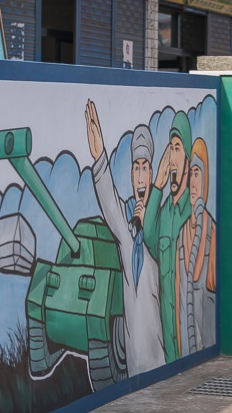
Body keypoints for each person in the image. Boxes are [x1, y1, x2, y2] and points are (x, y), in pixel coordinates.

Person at [84, 102, 166, 375]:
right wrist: (99, 156)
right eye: (136, 169)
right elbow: (109, 201)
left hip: (163, 356)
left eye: (145, 168)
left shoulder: (161, 222)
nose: (140, 176)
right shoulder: (127, 222)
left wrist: (148, 220)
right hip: (134, 359)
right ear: (131, 176)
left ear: (152, 174)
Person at [144, 111, 193, 362]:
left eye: (177, 148)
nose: (172, 158)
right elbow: (149, 237)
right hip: (169, 350)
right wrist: (157, 186)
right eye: (170, 149)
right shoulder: (166, 212)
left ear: (187, 158)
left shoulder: (192, 211)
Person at [177, 138, 217, 356]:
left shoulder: (212, 233)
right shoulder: (181, 235)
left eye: (198, 174)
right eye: (190, 173)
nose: (193, 183)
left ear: (206, 179)